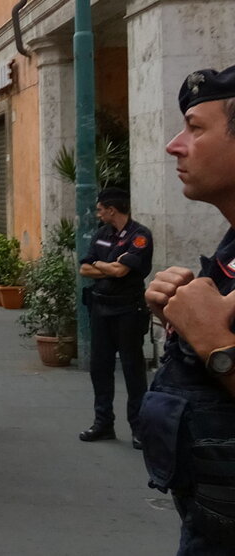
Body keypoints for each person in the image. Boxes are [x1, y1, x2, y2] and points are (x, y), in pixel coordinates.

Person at [141, 65, 235, 554]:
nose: (174, 146)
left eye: (195, 128)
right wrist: (180, 321)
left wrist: (214, 343)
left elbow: (219, 343)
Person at [77, 187, 153, 447]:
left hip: (128, 311)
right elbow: (84, 268)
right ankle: (103, 423)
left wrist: (101, 265)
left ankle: (139, 428)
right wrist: (106, 266)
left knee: (133, 369)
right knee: (100, 368)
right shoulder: (102, 234)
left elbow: (122, 272)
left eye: (100, 209)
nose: (98, 214)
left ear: (112, 210)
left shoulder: (140, 236)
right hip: (100, 309)